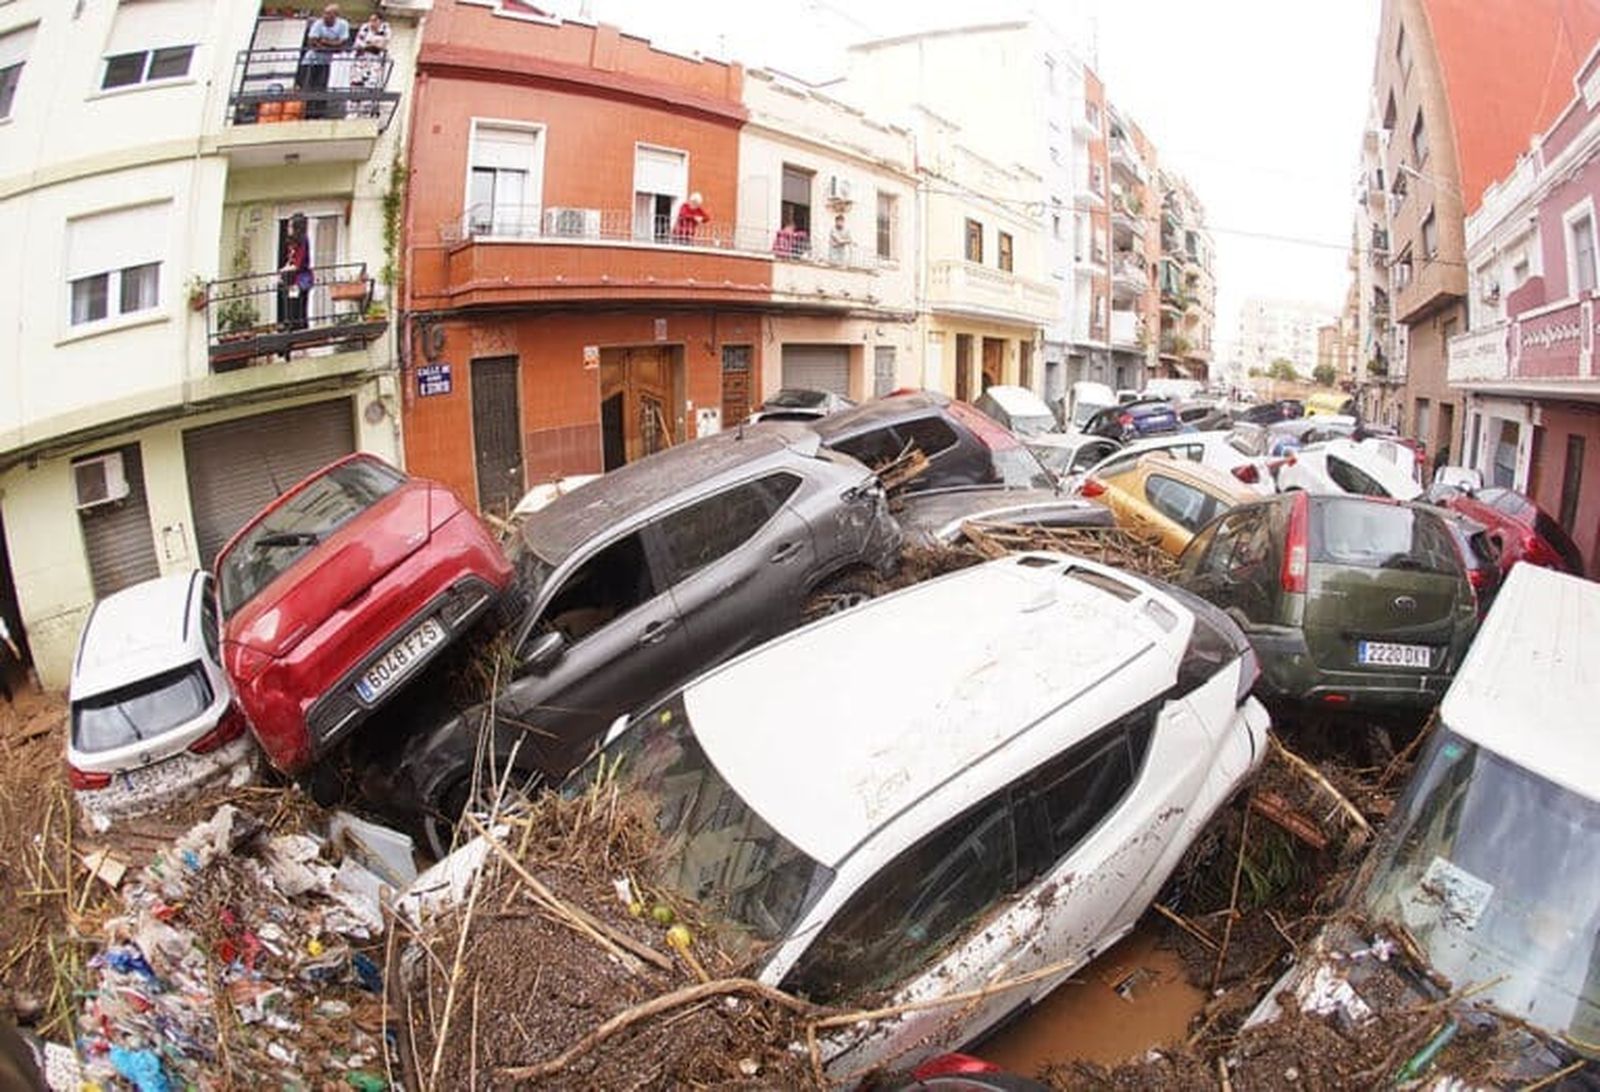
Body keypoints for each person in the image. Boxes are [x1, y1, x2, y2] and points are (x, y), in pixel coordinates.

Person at [301, 5, 350, 119]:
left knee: (321, 88)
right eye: (324, 13)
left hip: (325, 62)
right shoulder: (318, 23)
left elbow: (342, 45)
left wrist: (323, 42)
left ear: (335, 16)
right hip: (310, 62)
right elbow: (312, 43)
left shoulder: (343, 24)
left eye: (328, 14)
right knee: (309, 88)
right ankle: (307, 114)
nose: (325, 16)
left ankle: (318, 114)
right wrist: (332, 45)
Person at [279, 214, 313, 346]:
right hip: (293, 280)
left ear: (296, 227)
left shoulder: (303, 240)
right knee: (292, 307)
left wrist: (285, 270)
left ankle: (302, 337)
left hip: (301, 279)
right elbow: (291, 261)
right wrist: (284, 271)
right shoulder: (292, 242)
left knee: (299, 308)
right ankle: (292, 336)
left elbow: (298, 264)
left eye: (290, 225)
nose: (288, 227)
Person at [351, 12, 390, 116]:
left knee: (371, 85)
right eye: (370, 20)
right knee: (356, 85)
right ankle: (354, 111)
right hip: (361, 60)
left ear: (380, 21)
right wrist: (371, 45)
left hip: (375, 62)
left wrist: (369, 44)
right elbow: (358, 44)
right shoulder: (365, 27)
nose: (371, 23)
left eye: (374, 20)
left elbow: (381, 46)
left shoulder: (385, 29)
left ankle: (366, 112)